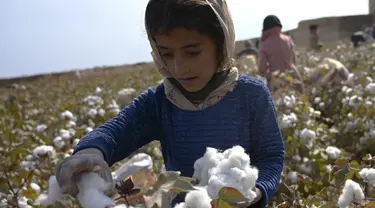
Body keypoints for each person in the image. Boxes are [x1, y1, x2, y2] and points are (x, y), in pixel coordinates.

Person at [55, 0, 285, 207]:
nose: (178, 67)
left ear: (221, 43)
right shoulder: (160, 102)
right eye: (166, 54)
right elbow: (117, 131)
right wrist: (92, 150)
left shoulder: (252, 95)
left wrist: (255, 192)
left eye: (192, 52)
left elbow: (271, 156)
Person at [257, 15, 304, 94]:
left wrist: (268, 74)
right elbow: (294, 61)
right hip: (294, 77)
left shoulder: (265, 44)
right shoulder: (288, 39)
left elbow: (262, 69)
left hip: (279, 81)